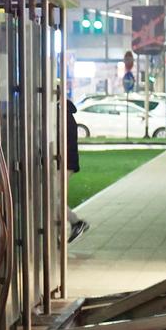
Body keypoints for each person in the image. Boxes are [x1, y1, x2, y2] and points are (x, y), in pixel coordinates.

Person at [65, 97, 89, 242]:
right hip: (66, 163)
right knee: (54, 199)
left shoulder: (61, 115)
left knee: (54, 200)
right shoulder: (66, 113)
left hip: (63, 163)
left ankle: (76, 222)